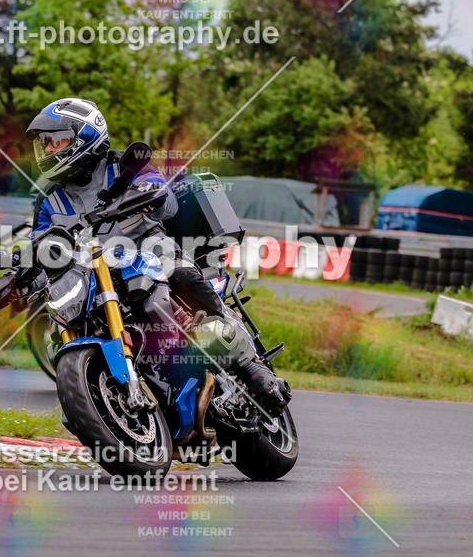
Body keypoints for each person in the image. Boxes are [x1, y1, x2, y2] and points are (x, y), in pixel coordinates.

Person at [26, 98, 291, 414]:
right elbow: (40, 246)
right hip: (97, 276)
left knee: (182, 275)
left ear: (86, 135)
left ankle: (253, 370)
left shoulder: (123, 164)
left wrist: (148, 195)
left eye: (58, 141)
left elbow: (165, 200)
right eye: (45, 144)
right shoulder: (49, 201)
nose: (50, 150)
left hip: (152, 253)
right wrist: (22, 275)